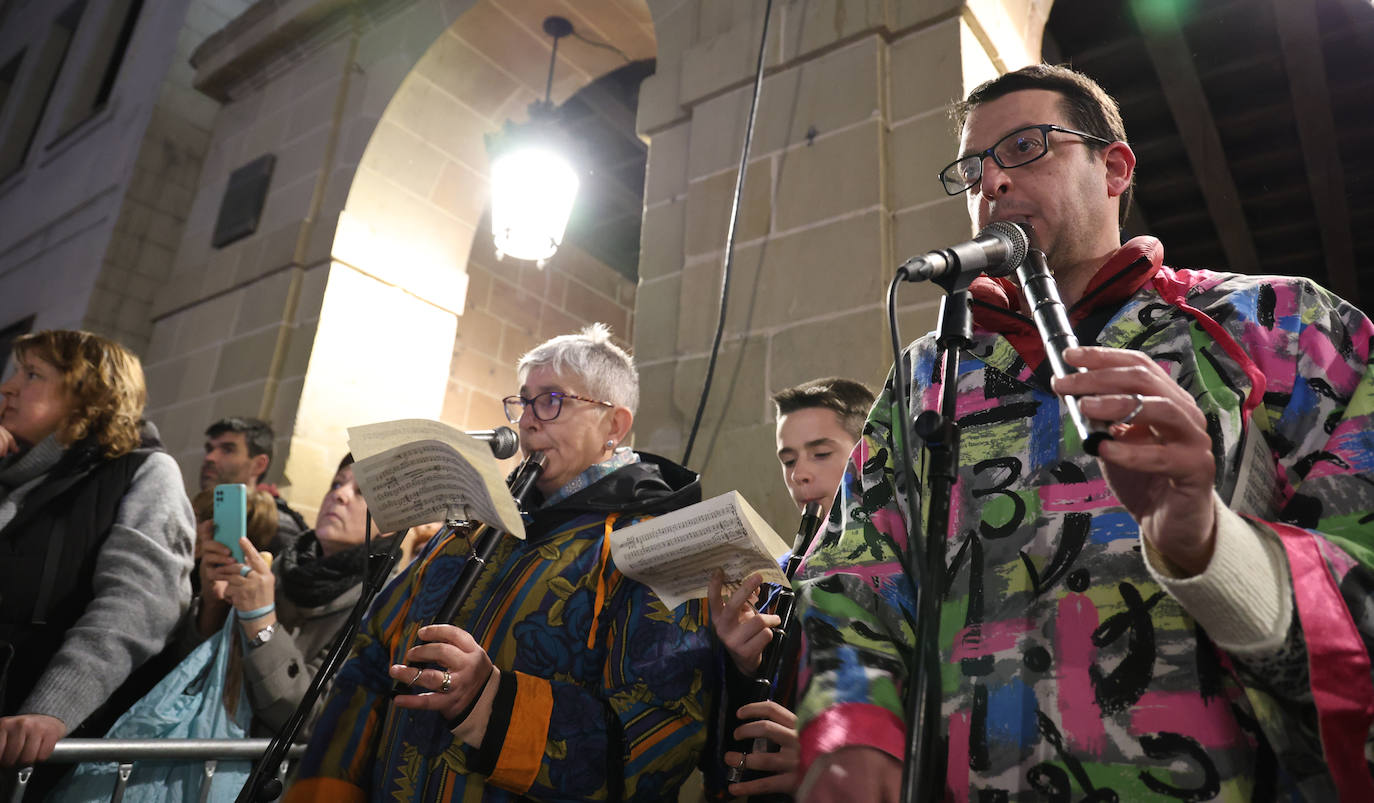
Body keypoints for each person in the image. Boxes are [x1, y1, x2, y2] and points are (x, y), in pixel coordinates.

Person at [793, 63, 1374, 802]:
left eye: (1026, 146)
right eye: (974, 168)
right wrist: (850, 729)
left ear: (1115, 168)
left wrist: (1211, 545)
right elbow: (850, 575)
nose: (992, 183)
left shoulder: (1285, 327)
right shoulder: (928, 375)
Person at [287, 323, 713, 801]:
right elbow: (369, 657)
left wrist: (490, 700)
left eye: (551, 400)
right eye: (524, 401)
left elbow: (665, 729)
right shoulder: (469, 526)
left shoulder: (659, 543)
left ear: (613, 425)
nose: (528, 420)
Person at [0, 330, 195, 798]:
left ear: (90, 394)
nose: (7, 387)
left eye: (31, 375)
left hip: (37, 752)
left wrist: (55, 707)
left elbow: (138, 603)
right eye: (12, 371)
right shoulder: (12, 476)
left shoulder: (144, 470)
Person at [705, 377, 875, 800]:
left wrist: (828, 751)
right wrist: (744, 664)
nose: (799, 474)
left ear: (872, 453)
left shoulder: (908, 570)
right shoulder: (780, 576)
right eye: (787, 459)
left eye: (820, 453)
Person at [195, 453, 392, 738]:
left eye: (362, 492)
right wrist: (213, 606)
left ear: (391, 523)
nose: (339, 496)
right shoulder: (279, 566)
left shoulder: (380, 602)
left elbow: (313, 719)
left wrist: (261, 620)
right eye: (336, 484)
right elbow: (194, 669)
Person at [200, 416, 307, 554]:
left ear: (259, 465)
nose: (210, 458)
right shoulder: (197, 513)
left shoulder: (275, 525)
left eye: (227, 450)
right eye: (210, 449)